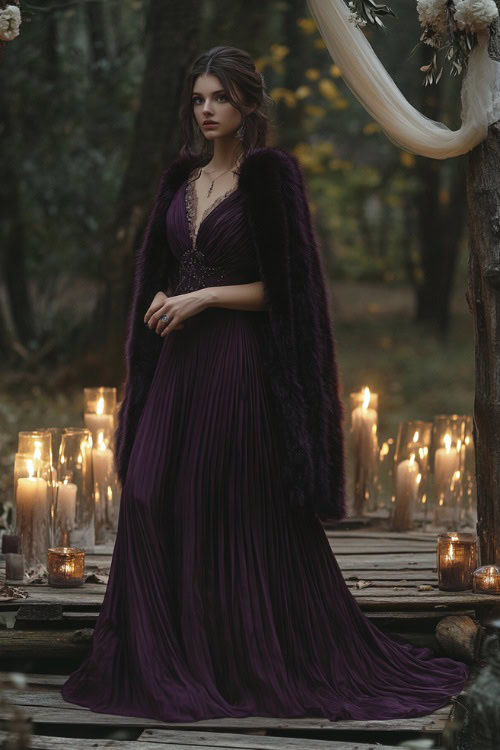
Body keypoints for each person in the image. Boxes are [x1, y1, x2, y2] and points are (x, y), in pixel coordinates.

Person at [61, 45, 469, 722]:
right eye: (198, 99)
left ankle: (231, 656)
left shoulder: (270, 176)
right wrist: (168, 301)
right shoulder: (180, 180)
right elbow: (165, 269)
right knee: (147, 493)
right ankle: (170, 656)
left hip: (239, 363)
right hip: (177, 367)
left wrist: (203, 299)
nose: (206, 110)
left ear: (247, 103)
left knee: (221, 502)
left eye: (219, 97)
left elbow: (289, 293)